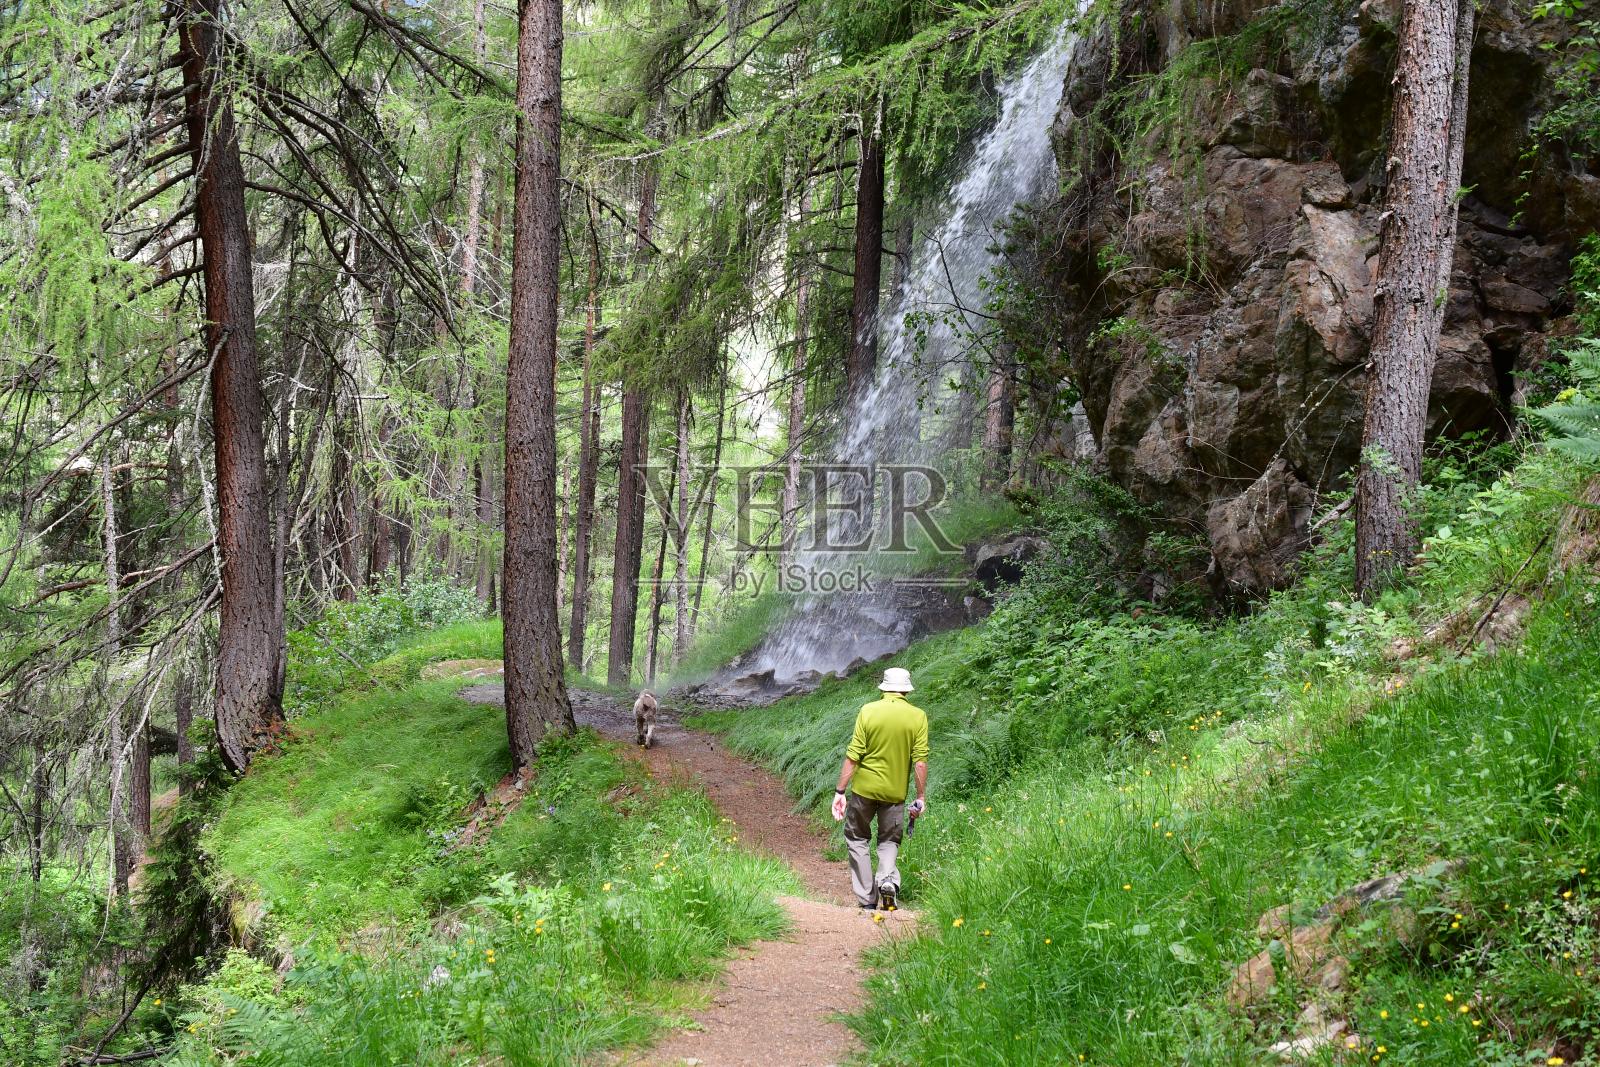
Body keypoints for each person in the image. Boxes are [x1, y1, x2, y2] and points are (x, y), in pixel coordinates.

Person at [831, 666, 928, 910]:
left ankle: (867, 900)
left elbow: (853, 755)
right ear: (906, 690)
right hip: (895, 794)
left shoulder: (868, 711)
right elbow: (920, 761)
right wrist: (920, 796)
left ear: (883, 688)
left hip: (863, 790)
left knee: (856, 837)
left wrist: (840, 791)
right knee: (889, 839)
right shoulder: (918, 716)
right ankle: (886, 880)